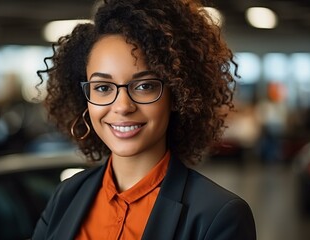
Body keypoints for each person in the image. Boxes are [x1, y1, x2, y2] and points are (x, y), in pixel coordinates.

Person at [32, 0, 256, 239]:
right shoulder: (66, 195)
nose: (123, 106)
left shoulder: (218, 215)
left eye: (144, 86)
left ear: (177, 95)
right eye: (103, 88)